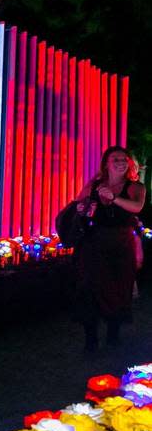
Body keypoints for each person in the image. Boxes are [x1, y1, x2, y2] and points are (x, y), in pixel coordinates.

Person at [72, 146, 147, 350]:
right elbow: (79, 203)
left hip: (121, 246)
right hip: (94, 245)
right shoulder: (95, 184)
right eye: (116, 159)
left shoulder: (136, 187)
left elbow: (137, 207)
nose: (121, 162)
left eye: (124, 159)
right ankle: (91, 339)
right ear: (106, 163)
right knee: (89, 289)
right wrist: (81, 208)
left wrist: (113, 198)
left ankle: (113, 335)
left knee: (117, 290)